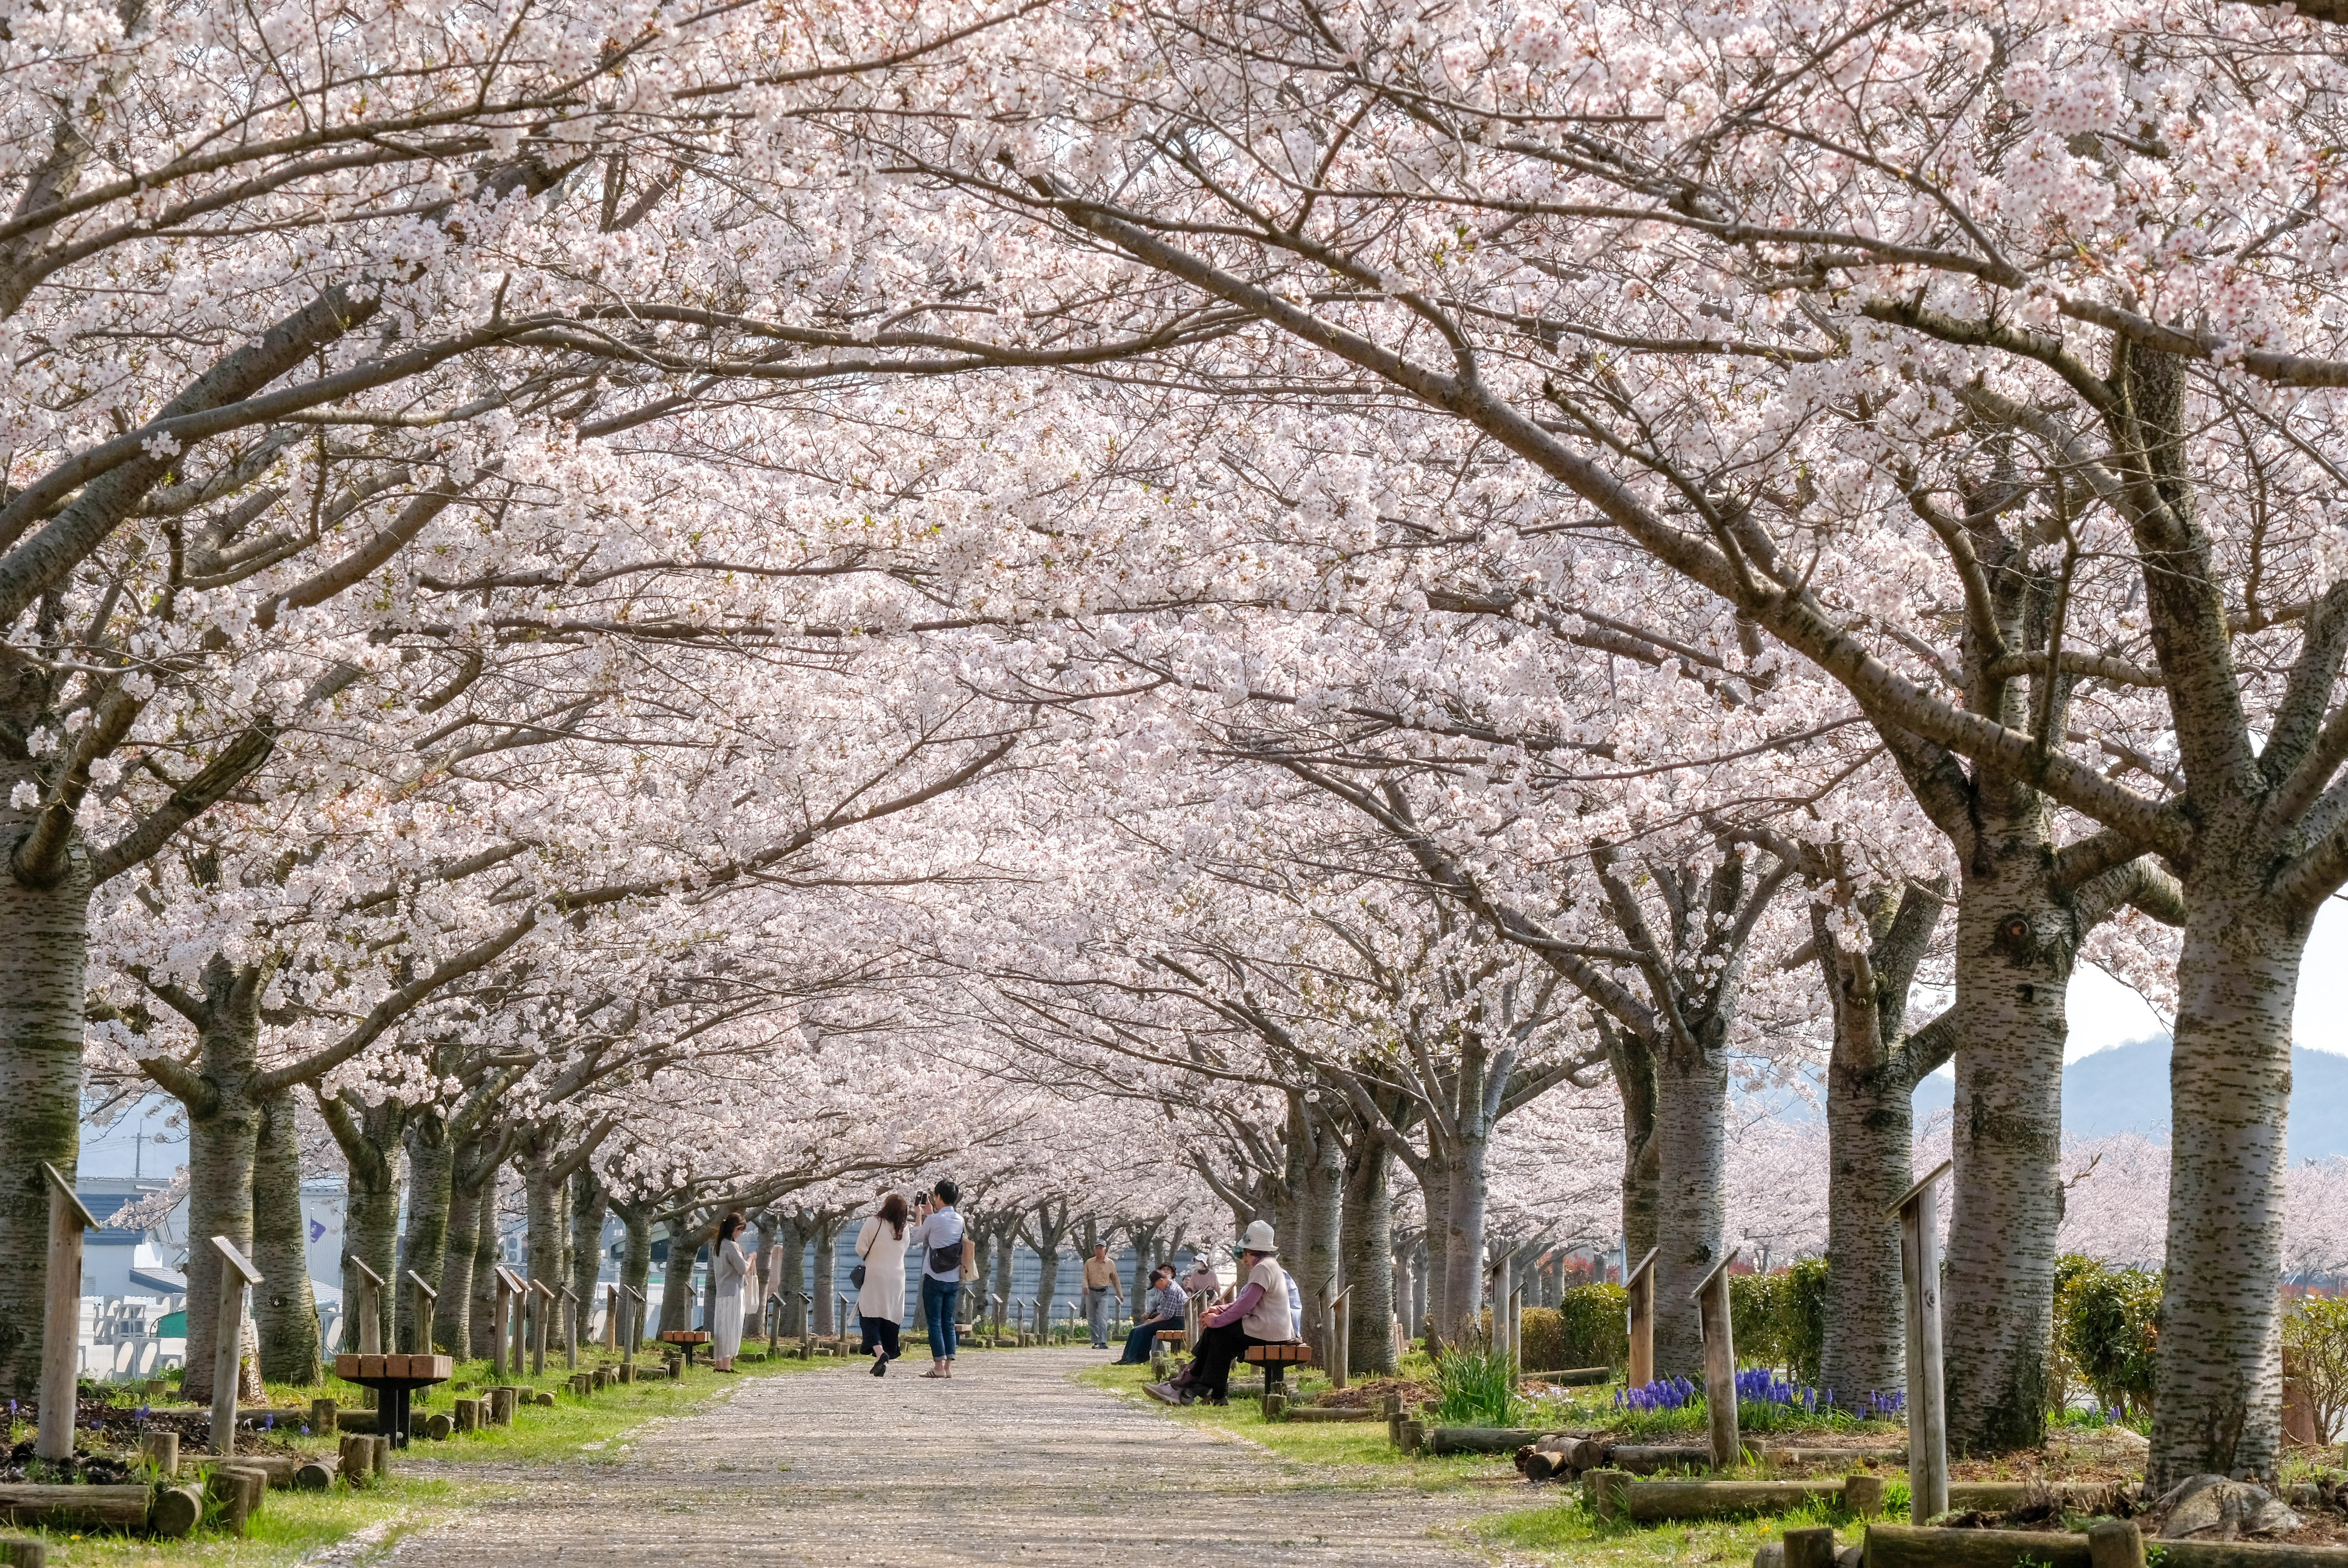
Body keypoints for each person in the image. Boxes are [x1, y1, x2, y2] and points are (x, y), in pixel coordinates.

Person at [1152, 1221, 1291, 1406]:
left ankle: (1193, 1382)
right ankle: (1213, 1392)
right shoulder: (1269, 1265)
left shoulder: (1262, 1268)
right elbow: (1246, 1302)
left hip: (1268, 1331)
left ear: (1251, 1251)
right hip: (1269, 1328)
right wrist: (1218, 1310)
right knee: (1220, 1339)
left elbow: (1245, 1306)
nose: (1243, 1260)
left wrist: (1216, 1321)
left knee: (1218, 1333)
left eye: (1244, 1254)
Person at [905, 1178, 965, 1378]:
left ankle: (938, 1366)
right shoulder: (960, 1220)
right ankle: (948, 1366)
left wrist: (920, 1216)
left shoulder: (933, 1219)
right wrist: (932, 1214)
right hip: (953, 1277)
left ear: (938, 1197)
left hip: (934, 1275)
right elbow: (944, 1231)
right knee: (948, 1321)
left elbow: (917, 1237)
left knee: (934, 1322)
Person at [853, 1192, 913, 1377]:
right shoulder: (904, 1229)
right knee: (889, 1315)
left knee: (868, 1314)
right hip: (897, 1277)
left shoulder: (874, 1223)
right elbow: (904, 1251)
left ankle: (880, 1353)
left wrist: (871, 1256)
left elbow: (860, 1247)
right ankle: (886, 1350)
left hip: (875, 1274)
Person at [1114, 1265, 1187, 1364]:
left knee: (1144, 1330)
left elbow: (1167, 1314)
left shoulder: (1172, 1291)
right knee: (1135, 1331)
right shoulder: (1167, 1289)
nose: (1156, 1287)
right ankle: (1127, 1358)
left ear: (1161, 1280)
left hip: (1177, 1321)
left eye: (1156, 1284)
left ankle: (1139, 1359)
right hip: (1170, 1320)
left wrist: (1152, 1321)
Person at [710, 1211, 752, 1373]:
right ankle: (727, 1365)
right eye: (740, 1230)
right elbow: (743, 1269)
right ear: (736, 1228)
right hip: (734, 1291)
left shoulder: (719, 1246)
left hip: (721, 1292)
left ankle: (720, 1364)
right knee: (732, 1327)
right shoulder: (732, 1246)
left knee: (721, 1328)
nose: (741, 1234)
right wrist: (750, 1258)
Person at [1082, 1241, 1123, 1351]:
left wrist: (1120, 1293)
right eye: (1097, 1248)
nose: (1099, 1251)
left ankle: (1103, 1341)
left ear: (1105, 1250)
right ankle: (1096, 1342)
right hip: (1091, 1292)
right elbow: (1084, 1276)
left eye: (1101, 1248)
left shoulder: (1110, 1263)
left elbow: (1115, 1279)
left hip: (1103, 1292)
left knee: (1102, 1317)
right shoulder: (1089, 1262)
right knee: (1091, 1318)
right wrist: (1085, 1286)